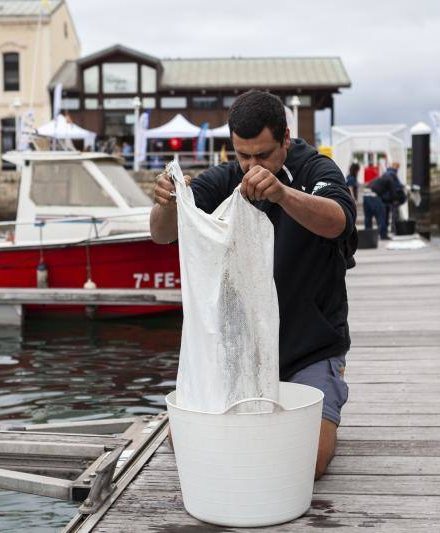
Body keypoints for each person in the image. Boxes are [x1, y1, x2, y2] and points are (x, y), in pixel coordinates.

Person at [151, 90, 357, 479]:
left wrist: (282, 194)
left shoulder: (317, 170)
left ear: (286, 139)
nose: (251, 166)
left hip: (308, 351)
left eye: (263, 155)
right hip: (240, 355)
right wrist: (165, 203)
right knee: (185, 441)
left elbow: (339, 221)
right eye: (243, 155)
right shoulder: (227, 176)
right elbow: (162, 235)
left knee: (306, 462)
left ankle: (323, 408)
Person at [364, 162, 400, 240]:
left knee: (368, 217)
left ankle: (368, 235)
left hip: (365, 195)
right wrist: (395, 200)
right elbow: (393, 192)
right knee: (381, 216)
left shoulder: (381, 177)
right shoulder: (390, 179)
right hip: (374, 196)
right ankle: (383, 235)